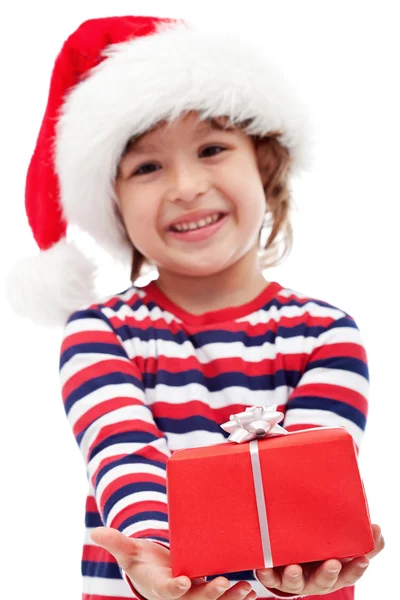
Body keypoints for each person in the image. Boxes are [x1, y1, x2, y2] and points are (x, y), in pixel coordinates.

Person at [6, 14, 384, 600]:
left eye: (212, 148)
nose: (185, 186)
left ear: (265, 165)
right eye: (147, 167)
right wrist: (159, 554)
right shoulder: (103, 332)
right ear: (113, 202)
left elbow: (310, 479)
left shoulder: (326, 333)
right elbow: (123, 451)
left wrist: (298, 561)